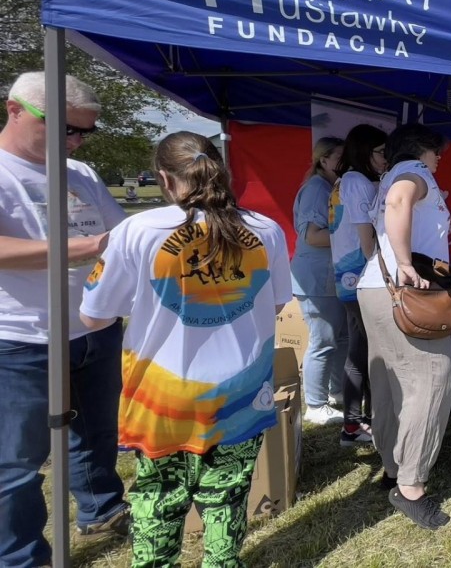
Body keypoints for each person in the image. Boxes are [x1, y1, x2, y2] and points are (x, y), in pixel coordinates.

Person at [80, 131, 291, 568]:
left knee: (158, 495)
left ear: (163, 177)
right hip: (241, 390)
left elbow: (94, 316)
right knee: (229, 492)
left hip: (161, 394)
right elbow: (276, 303)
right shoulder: (265, 229)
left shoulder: (137, 230)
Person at [0, 72, 131, 566]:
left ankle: (102, 509)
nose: (76, 141)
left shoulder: (81, 173)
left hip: (95, 328)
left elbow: (120, 234)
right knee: (17, 460)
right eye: (65, 129)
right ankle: (21, 556)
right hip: (21, 338)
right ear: (15, 109)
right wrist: (84, 248)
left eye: (86, 132)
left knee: (97, 433)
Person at [357, 124, 451, 530]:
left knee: (389, 383)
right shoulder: (415, 171)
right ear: (422, 150)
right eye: (437, 152)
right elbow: (400, 202)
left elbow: (369, 232)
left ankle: (394, 467)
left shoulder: (388, 177)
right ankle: (411, 487)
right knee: (432, 378)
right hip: (405, 291)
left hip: (375, 288)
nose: (439, 159)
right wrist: (404, 262)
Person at [329, 124, 388, 446]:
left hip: (353, 276)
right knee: (368, 352)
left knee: (360, 350)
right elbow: (367, 242)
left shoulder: (351, 181)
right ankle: (361, 423)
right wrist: (385, 273)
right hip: (359, 276)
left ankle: (355, 424)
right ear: (364, 151)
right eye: (380, 152)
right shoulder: (355, 182)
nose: (385, 158)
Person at [292, 137, 349, 426]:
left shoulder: (330, 186)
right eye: (339, 157)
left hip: (329, 278)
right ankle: (315, 405)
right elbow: (312, 236)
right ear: (323, 160)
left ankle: (336, 392)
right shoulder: (317, 189)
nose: (344, 163)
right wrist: (352, 233)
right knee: (323, 340)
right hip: (316, 279)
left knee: (341, 337)